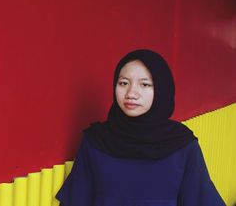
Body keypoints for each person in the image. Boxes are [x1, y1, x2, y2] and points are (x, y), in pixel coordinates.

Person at [56, 49, 225, 206]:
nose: (131, 93)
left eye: (144, 85)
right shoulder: (96, 140)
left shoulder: (182, 144)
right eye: (123, 83)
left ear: (161, 90)